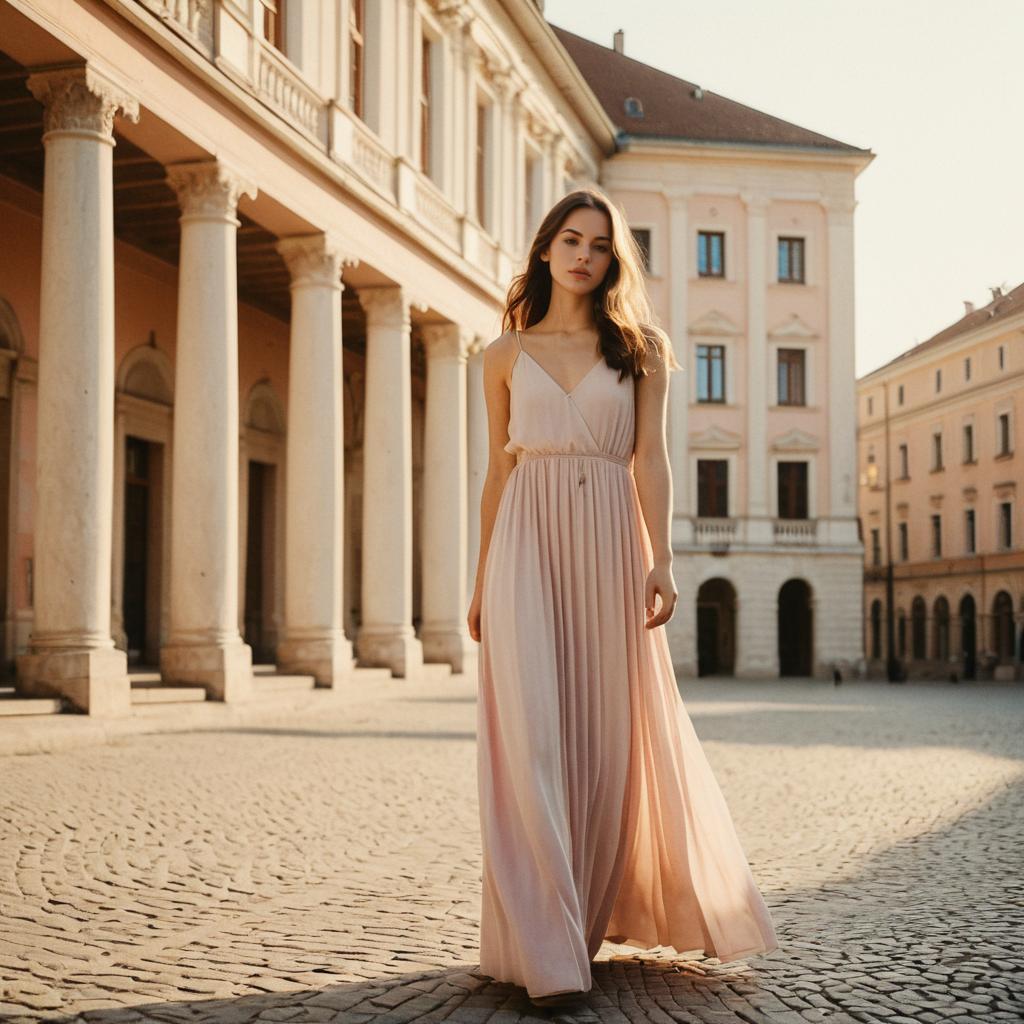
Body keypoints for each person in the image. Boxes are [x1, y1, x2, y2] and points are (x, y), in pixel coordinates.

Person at [467, 187, 779, 1009]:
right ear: (544, 249)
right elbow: (499, 469)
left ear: (613, 261)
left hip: (611, 544)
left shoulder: (640, 348)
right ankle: (547, 947)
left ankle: (582, 919)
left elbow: (650, 460)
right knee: (527, 736)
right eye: (570, 240)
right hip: (523, 545)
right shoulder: (499, 354)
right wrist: (479, 576)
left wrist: (664, 559)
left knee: (604, 740)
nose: (583, 255)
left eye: (599, 246)